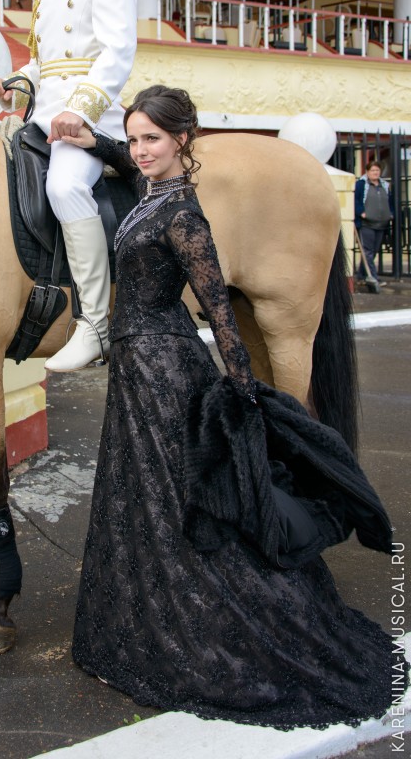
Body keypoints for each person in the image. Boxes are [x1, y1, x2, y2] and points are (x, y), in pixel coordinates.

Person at [63, 85, 400, 730]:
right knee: (145, 500)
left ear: (182, 140)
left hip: (164, 367)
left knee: (180, 499)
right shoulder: (147, 191)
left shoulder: (184, 213)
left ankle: (221, 617)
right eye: (133, 139)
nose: (139, 150)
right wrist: (95, 142)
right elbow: (129, 162)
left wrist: (245, 389)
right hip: (135, 370)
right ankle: (144, 616)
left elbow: (217, 304)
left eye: (151, 139)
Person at [0, 0, 137, 373]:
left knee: (66, 186)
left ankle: (94, 324)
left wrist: (82, 110)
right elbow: (45, 65)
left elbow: (116, 53)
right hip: (46, 114)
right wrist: (16, 81)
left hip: (91, 117)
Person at [355, 159, 393, 288]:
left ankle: (361, 276)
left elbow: (390, 201)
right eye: (373, 170)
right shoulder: (361, 184)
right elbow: (356, 200)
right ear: (367, 172)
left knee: (373, 251)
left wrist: (390, 213)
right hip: (367, 224)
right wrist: (361, 212)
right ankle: (374, 278)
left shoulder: (385, 185)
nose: (375, 172)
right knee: (368, 252)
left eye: (377, 170)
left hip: (381, 224)